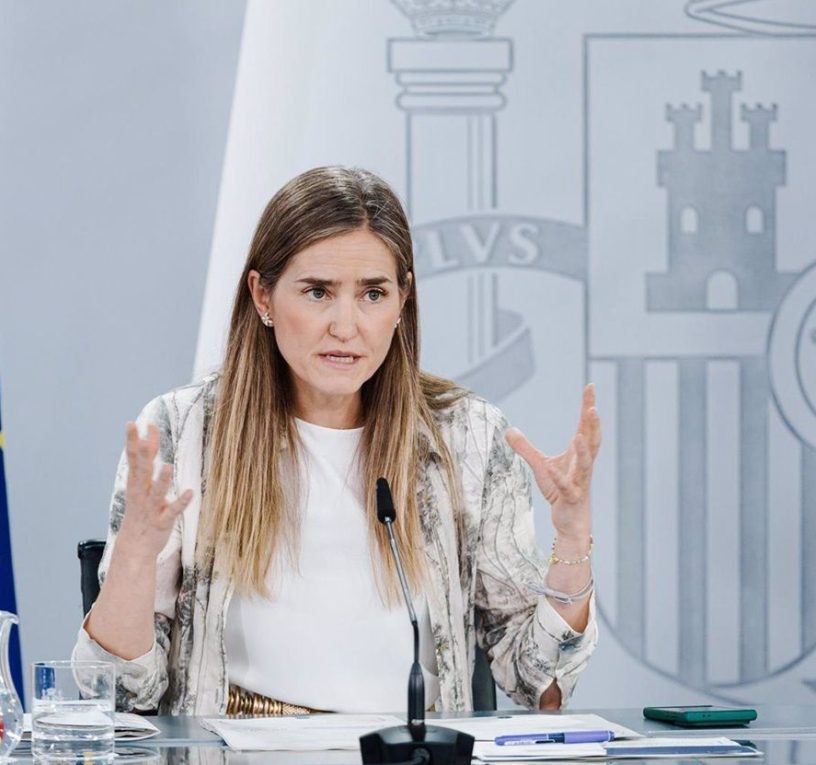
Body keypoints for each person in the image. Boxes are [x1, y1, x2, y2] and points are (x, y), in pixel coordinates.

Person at [74, 166, 599, 715]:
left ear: (402, 301)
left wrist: (572, 537)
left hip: (409, 748)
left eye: (373, 293)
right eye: (318, 292)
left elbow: (538, 681)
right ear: (262, 296)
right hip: (237, 750)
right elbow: (120, 693)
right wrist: (135, 554)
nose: (346, 326)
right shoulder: (186, 431)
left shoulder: (466, 436)